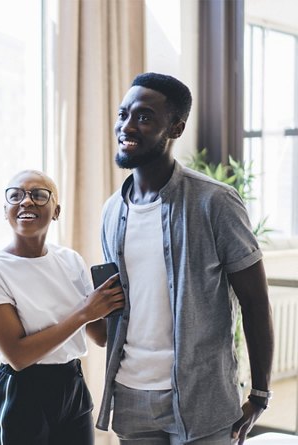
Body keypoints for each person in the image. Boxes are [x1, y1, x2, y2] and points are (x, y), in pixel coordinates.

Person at [96, 72, 274, 445]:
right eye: (123, 114)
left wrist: (259, 393)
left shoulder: (215, 202)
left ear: (175, 129)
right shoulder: (111, 211)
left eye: (144, 117)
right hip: (131, 396)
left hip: (203, 398)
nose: (127, 126)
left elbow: (255, 303)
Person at [0, 169, 125, 445]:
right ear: (6, 209)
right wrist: (84, 313)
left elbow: (100, 336)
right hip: (20, 392)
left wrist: (115, 299)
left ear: (56, 210)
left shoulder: (70, 260)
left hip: (72, 385)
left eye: (39, 195)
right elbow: (18, 355)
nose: (26, 201)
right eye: (16, 195)